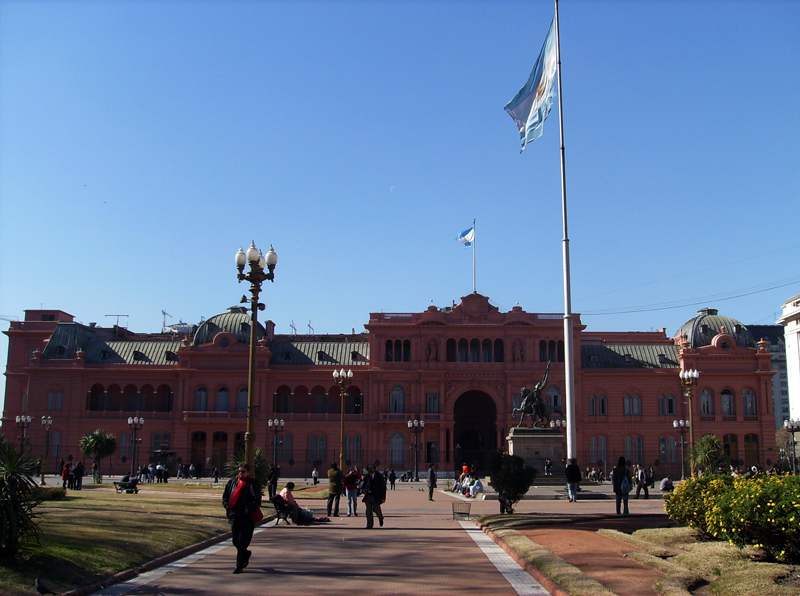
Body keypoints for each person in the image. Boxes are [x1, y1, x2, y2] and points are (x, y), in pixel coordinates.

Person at [222, 463, 262, 574]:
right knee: (235, 541)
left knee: (241, 543)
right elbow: (226, 496)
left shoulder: (252, 484)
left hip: (246, 518)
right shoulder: (232, 482)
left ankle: (239, 566)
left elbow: (256, 500)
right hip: (234, 516)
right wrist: (226, 506)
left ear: (248, 472)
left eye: (243, 471)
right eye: (239, 471)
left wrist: (247, 509)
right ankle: (246, 554)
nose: (240, 473)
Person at [360, 464, 386, 529]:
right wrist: (363, 490)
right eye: (369, 469)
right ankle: (369, 524)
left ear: (374, 469)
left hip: (376, 496)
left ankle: (380, 517)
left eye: (371, 468)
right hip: (368, 496)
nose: (370, 470)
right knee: (368, 510)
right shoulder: (367, 476)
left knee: (377, 509)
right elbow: (363, 485)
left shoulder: (379, 476)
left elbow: (383, 487)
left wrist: (383, 497)